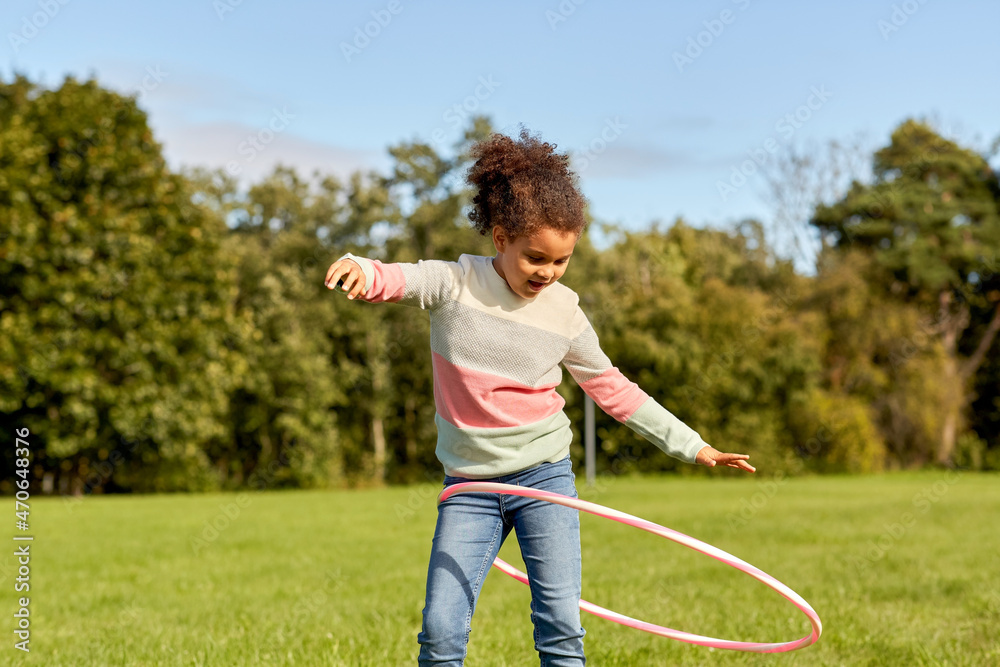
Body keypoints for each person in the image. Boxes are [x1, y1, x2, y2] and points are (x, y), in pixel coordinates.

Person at [324, 127, 755, 667]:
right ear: (501, 238)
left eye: (561, 262)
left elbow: (614, 389)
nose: (547, 273)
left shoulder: (565, 313)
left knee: (559, 623)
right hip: (469, 485)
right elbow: (400, 276)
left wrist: (695, 447)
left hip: (544, 476)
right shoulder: (454, 284)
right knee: (440, 630)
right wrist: (361, 269)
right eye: (535, 258)